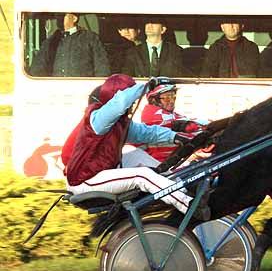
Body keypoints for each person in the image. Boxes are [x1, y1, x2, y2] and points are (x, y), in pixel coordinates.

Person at [64, 74, 208, 219]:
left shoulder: (121, 123)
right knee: (142, 175)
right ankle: (188, 205)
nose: (132, 106)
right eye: (130, 103)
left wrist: (176, 137)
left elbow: (149, 133)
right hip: (84, 180)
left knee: (136, 154)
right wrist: (147, 86)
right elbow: (120, 102)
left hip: (99, 172)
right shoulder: (98, 118)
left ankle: (181, 186)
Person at [140, 84, 208, 162]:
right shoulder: (155, 114)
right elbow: (189, 125)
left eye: (173, 97)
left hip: (175, 159)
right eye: (167, 98)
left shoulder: (169, 113)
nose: (172, 101)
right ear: (154, 100)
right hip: (164, 163)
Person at [30, 13, 110, 77]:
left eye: (63, 15)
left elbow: (102, 68)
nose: (59, 18)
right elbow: (37, 68)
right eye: (57, 15)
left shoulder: (91, 38)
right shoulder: (50, 41)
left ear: (74, 18)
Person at [122, 18, 186, 77]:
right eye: (147, 23)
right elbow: (126, 78)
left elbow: (181, 76)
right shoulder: (132, 52)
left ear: (163, 30)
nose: (149, 25)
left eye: (154, 23)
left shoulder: (176, 51)